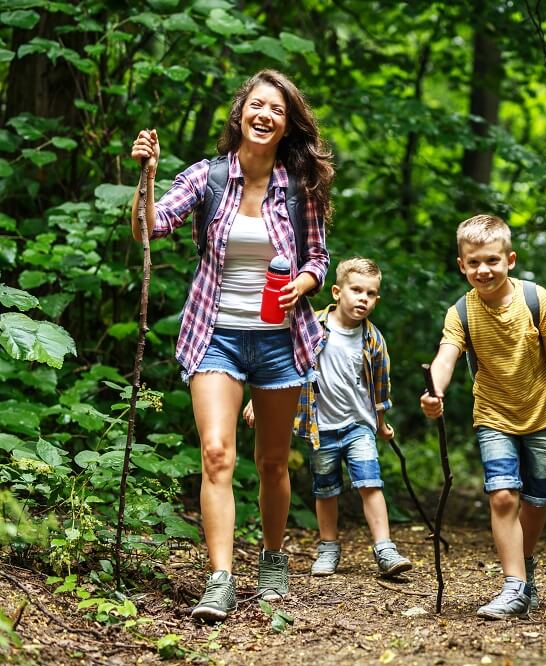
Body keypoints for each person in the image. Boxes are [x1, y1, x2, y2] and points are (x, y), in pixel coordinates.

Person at [129, 69, 334, 622]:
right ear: (241, 112)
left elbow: (319, 257)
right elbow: (152, 226)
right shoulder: (208, 176)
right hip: (214, 333)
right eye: (257, 106)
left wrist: (305, 283)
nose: (265, 116)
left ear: (287, 124)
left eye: (277, 110)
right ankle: (220, 578)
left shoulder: (299, 185)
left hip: (280, 341)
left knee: (271, 462)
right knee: (217, 453)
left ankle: (272, 557)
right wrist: (146, 177)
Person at [420, 214, 546, 619]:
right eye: (474, 262)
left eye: (492, 260)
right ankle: (514, 585)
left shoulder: (537, 300)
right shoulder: (460, 312)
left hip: (542, 413)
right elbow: (446, 357)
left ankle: (524, 568)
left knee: (537, 500)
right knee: (502, 495)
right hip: (493, 415)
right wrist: (434, 391)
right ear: (462, 265)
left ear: (510, 260)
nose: (484, 269)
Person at [243, 257, 412, 578]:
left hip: (359, 426)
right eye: (357, 290)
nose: (363, 298)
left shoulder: (372, 339)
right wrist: (259, 399)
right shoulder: (312, 326)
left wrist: (381, 422)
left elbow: (380, 384)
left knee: (370, 483)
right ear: (336, 291)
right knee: (326, 489)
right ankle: (328, 547)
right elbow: (283, 363)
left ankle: (385, 548)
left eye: (371, 294)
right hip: (320, 428)